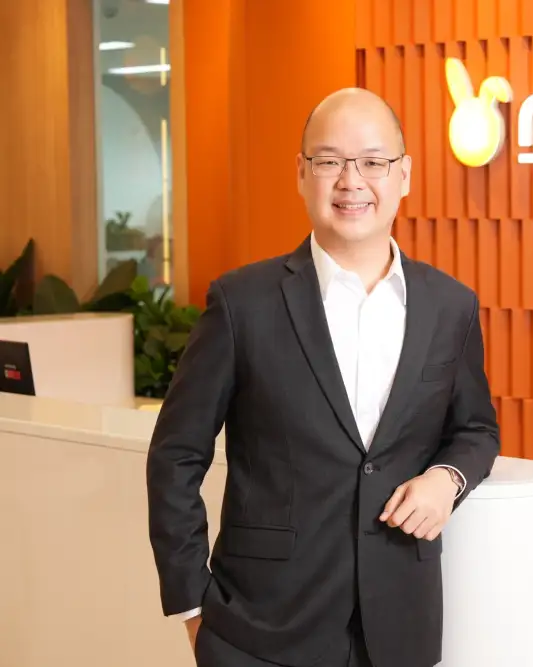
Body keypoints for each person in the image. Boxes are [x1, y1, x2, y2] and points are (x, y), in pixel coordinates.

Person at [145, 87, 501, 667]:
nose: (351, 181)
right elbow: (176, 455)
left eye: (373, 162)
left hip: (399, 628)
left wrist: (447, 479)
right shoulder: (241, 303)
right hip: (259, 630)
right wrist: (192, 605)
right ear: (301, 173)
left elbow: (476, 429)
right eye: (330, 161)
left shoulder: (450, 306)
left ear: (405, 175)